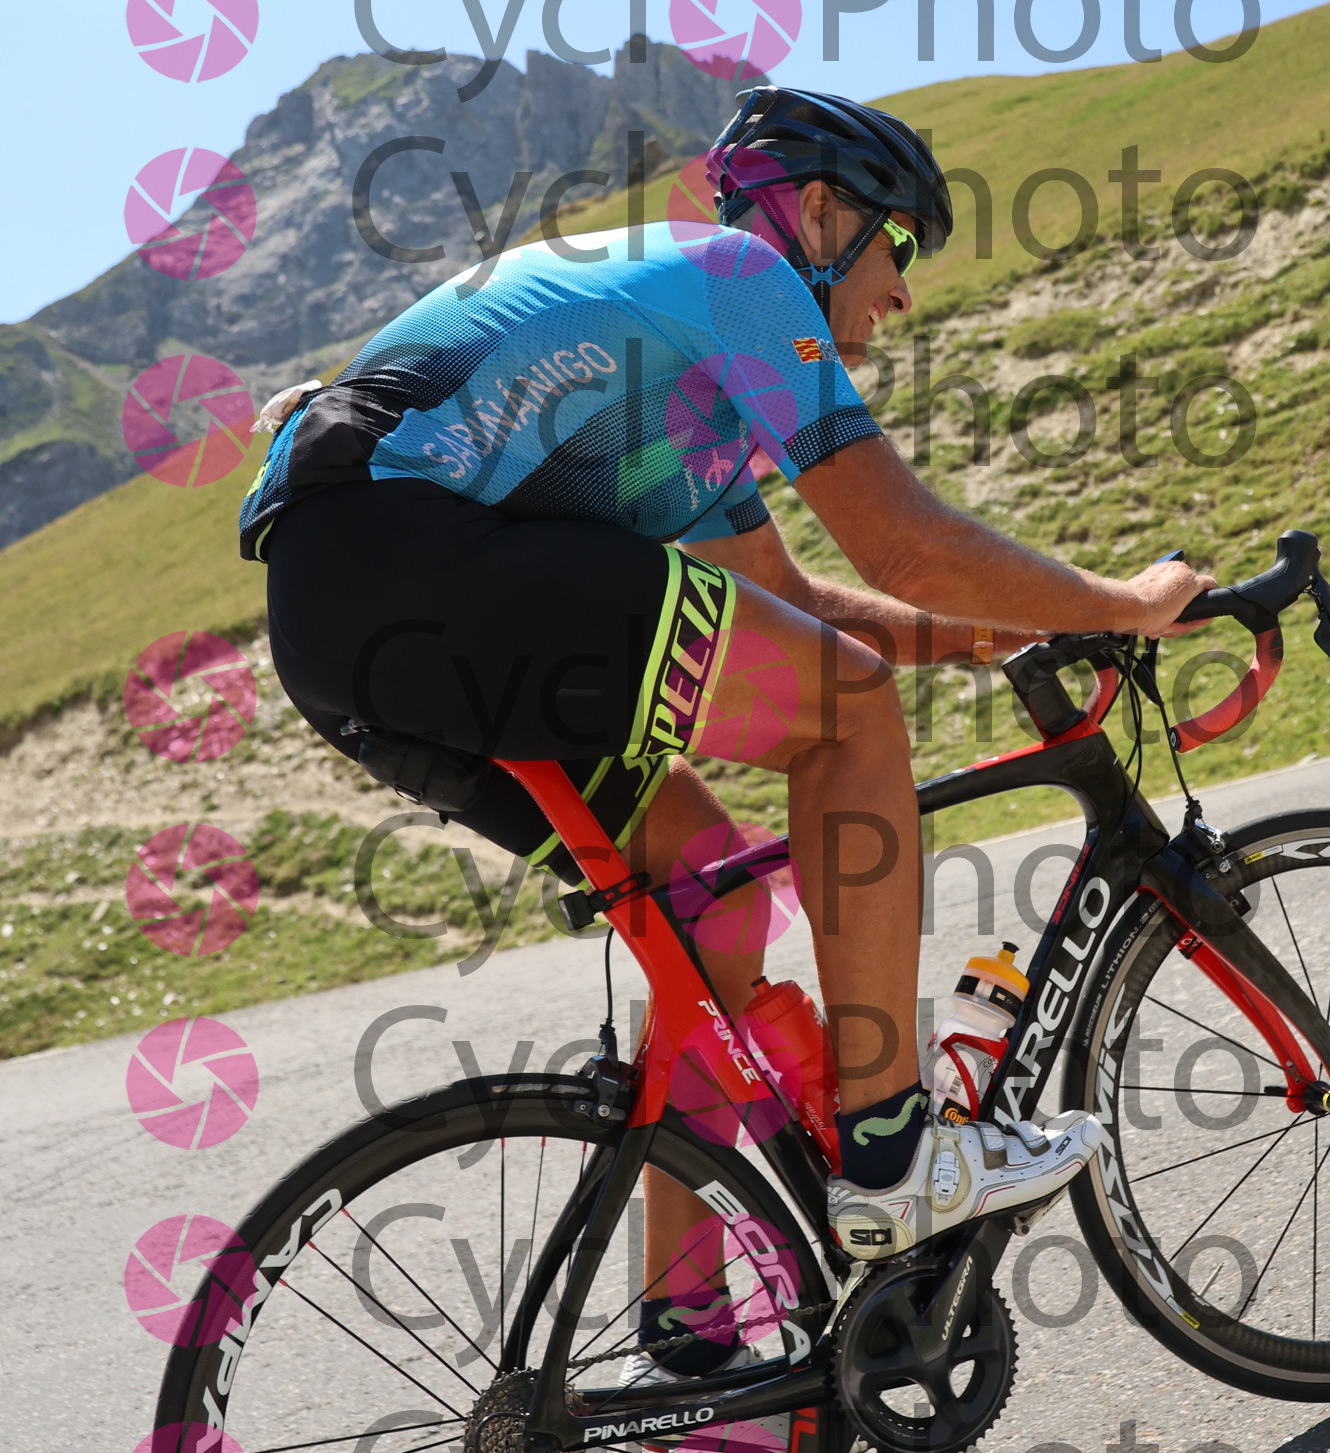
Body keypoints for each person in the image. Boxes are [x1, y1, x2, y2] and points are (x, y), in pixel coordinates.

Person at [242, 86, 1211, 1376]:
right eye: (900, 245)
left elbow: (802, 603)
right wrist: (1128, 603)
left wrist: (1006, 635)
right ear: (820, 214)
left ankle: (688, 1325)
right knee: (847, 710)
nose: (902, 293)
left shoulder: (670, 383)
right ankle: (893, 1149)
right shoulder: (743, 275)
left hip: (343, 622)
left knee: (715, 900)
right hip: (417, 562)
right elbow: (904, 545)